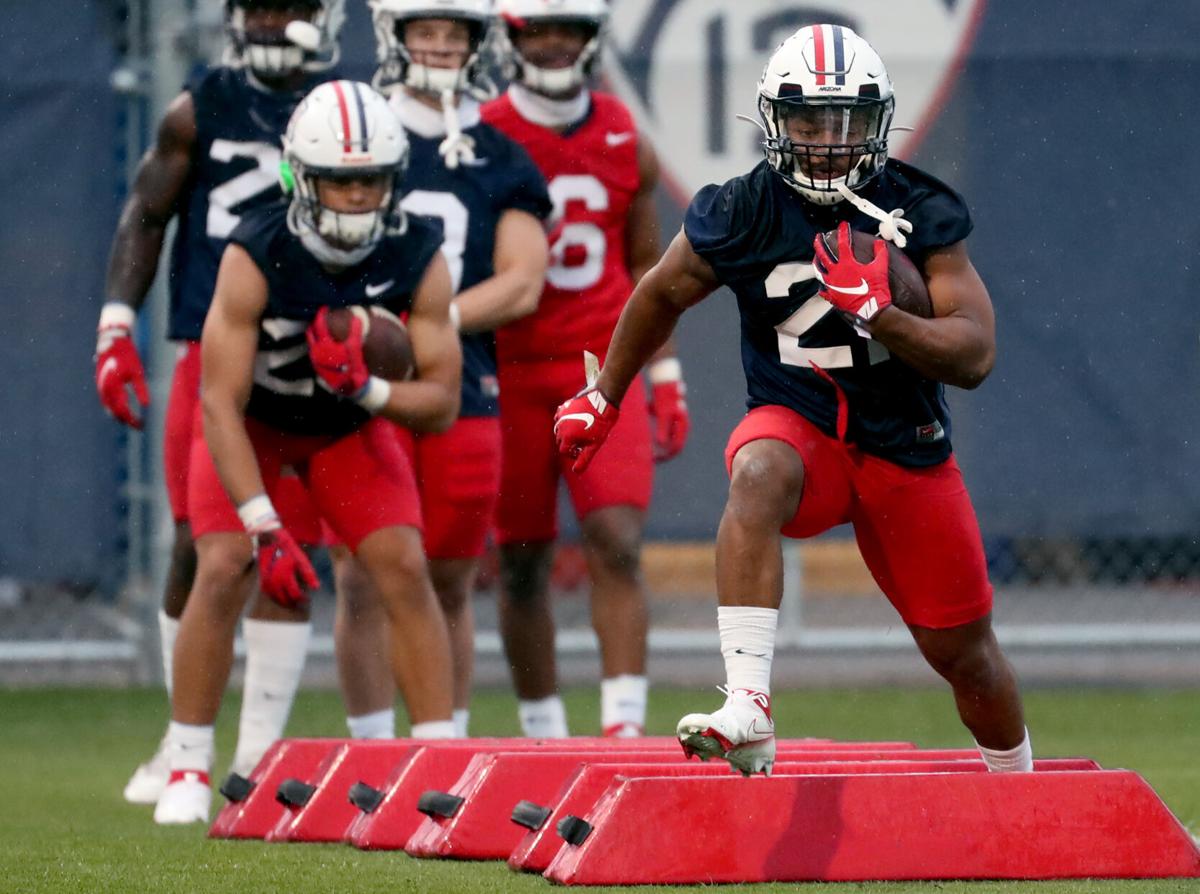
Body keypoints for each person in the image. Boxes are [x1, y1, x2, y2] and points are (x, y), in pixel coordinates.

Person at [554, 24, 1032, 776]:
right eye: (810, 120)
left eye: (849, 121)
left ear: (879, 124)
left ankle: (1020, 789)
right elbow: (661, 292)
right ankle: (747, 705)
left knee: (966, 655)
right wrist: (605, 395)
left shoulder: (918, 208)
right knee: (756, 470)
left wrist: (885, 315)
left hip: (902, 443)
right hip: (801, 428)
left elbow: (976, 354)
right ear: (776, 122)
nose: (830, 141)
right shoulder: (743, 208)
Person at [153, 79, 461, 824]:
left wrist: (370, 391)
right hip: (252, 424)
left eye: (370, 180)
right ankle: (188, 762)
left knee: (403, 565)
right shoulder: (256, 247)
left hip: (345, 426)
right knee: (222, 562)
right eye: (339, 179)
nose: (356, 197)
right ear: (299, 175)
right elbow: (218, 403)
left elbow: (442, 401)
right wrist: (263, 522)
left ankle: (440, 753)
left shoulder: (417, 249)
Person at [94, 0, 344, 803]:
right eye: (259, 9)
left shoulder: (345, 113)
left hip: (314, 352)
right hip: (217, 350)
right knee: (200, 545)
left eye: (290, 8)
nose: (272, 25)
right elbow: (147, 214)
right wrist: (114, 325)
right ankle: (183, 738)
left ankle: (260, 755)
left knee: (287, 554)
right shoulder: (199, 107)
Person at [330, 0, 551, 741]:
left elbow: (523, 281)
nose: (438, 47)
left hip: (463, 385)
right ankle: (370, 752)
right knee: (363, 577)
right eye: (424, 31)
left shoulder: (500, 157)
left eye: (453, 35)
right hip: (361, 388)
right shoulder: (356, 142)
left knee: (451, 579)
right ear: (394, 38)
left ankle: (442, 749)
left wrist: (429, 325)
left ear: (476, 45)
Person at [481, 0, 690, 739]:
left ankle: (623, 725)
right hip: (508, 372)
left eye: (568, 29)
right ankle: (543, 730)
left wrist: (663, 375)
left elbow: (646, 267)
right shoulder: (484, 134)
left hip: (600, 368)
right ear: (513, 37)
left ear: (592, 36)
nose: (555, 44)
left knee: (617, 541)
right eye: (540, 30)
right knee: (522, 562)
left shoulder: (624, 134)